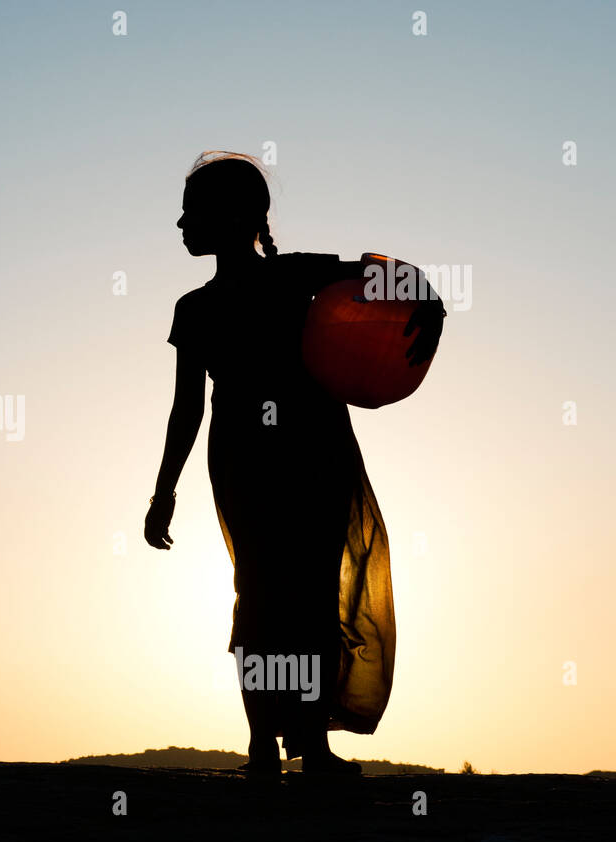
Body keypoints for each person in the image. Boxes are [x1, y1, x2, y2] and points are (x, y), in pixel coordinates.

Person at [145, 152, 443, 775]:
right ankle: (269, 744)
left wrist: (431, 311)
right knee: (269, 595)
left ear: (234, 218)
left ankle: (303, 744)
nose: (178, 224)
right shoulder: (194, 309)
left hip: (301, 448)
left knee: (292, 596)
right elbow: (184, 411)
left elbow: (397, 280)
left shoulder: (294, 276)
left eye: (190, 211)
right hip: (261, 457)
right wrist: (162, 493)